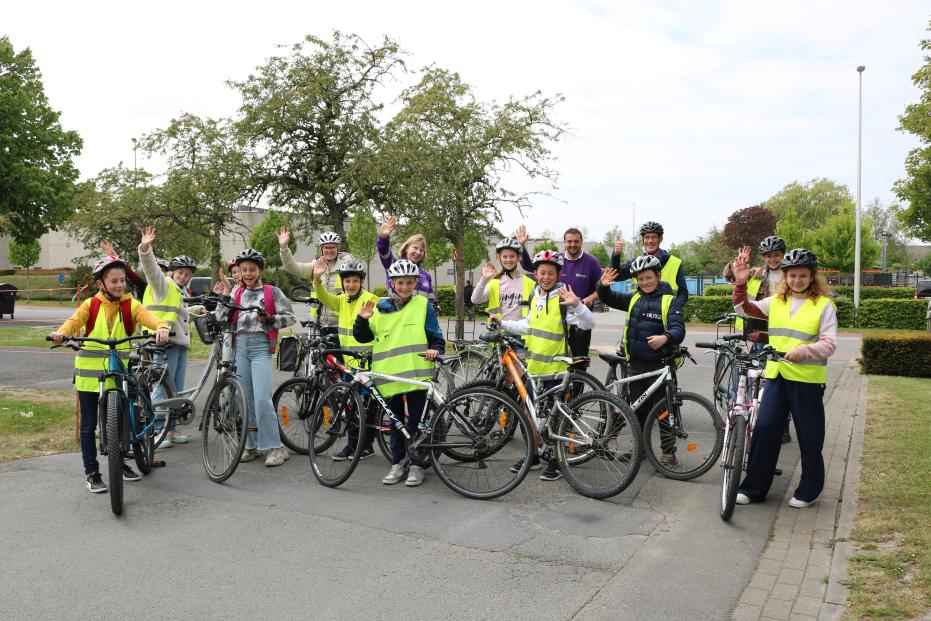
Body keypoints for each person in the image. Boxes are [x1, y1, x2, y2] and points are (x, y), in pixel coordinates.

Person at [49, 256, 170, 493]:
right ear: (100, 284)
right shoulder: (91, 305)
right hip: (89, 378)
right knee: (88, 425)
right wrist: (61, 333)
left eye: (122, 280)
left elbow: (149, 317)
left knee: (119, 422)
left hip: (117, 374)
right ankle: (92, 473)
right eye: (114, 281)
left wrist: (162, 326)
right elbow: (73, 322)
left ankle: (119, 464)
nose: (120, 285)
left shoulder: (130, 304)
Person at [730, 247, 837, 509]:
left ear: (812, 277)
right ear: (785, 277)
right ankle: (754, 488)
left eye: (803, 275)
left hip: (807, 380)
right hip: (777, 375)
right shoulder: (775, 302)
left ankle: (809, 490)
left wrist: (804, 351)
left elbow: (829, 343)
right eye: (792, 275)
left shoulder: (824, 306)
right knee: (765, 428)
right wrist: (741, 283)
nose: (797, 280)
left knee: (810, 437)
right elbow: (743, 309)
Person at [493, 249, 595, 482]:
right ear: (536, 274)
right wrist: (504, 323)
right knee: (531, 417)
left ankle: (557, 461)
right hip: (534, 369)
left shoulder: (563, 298)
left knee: (555, 419)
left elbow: (589, 323)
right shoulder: (535, 296)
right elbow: (528, 326)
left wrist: (578, 304)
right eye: (542, 273)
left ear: (558, 274)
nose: (546, 277)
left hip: (556, 371)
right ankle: (533, 456)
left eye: (550, 273)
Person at [353, 259, 444, 487]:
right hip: (388, 377)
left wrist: (436, 349)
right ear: (392, 284)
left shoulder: (423, 305)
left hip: (416, 376)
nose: (405, 287)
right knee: (395, 424)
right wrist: (362, 319)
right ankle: (397, 463)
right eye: (400, 283)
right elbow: (363, 337)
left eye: (409, 282)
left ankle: (416, 465)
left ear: (415, 283)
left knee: (417, 424)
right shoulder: (380, 308)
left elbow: (435, 336)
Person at [596, 256, 686, 468]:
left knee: (663, 412)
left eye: (648, 278)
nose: (645, 282)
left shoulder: (669, 301)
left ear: (658, 276)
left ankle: (668, 454)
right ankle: (641, 449)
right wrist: (602, 286)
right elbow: (609, 299)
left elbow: (679, 329)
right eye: (641, 279)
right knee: (638, 410)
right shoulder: (634, 298)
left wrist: (666, 338)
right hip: (635, 365)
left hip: (659, 366)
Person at [213, 249, 296, 467]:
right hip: (240, 347)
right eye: (244, 270)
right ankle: (250, 445)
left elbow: (289, 317)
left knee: (261, 399)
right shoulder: (237, 293)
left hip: (260, 347)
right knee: (243, 399)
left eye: (252, 269)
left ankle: (275, 447)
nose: (248, 274)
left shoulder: (272, 292)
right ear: (239, 272)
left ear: (260, 270)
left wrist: (270, 319)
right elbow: (221, 317)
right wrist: (225, 293)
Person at [311, 257, 380, 461]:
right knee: (350, 406)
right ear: (342, 282)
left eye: (355, 281)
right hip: (348, 363)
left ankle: (365, 446)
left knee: (366, 407)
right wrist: (317, 280)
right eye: (347, 281)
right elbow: (324, 297)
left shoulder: (371, 299)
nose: (351, 285)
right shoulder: (341, 300)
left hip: (367, 363)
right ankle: (353, 446)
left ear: (362, 282)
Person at [137, 226, 197, 448]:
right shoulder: (164, 285)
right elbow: (151, 270)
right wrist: (145, 249)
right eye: (180, 272)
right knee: (162, 389)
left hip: (179, 345)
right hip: (164, 345)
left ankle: (172, 430)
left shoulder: (179, 292)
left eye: (187, 274)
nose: (183, 276)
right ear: (171, 272)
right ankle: (156, 431)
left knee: (176, 389)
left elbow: (178, 315)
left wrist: (195, 311)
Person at [734, 235, 793, 444]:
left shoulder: (790, 274)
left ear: (783, 254)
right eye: (768, 256)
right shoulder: (759, 273)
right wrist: (737, 263)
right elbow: (732, 278)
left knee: (782, 378)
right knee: (759, 376)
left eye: (776, 255)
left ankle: (784, 425)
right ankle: (756, 415)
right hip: (760, 331)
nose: (772, 259)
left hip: (783, 331)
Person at [517, 226, 602, 357]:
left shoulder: (591, 261)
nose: (572, 244)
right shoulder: (557, 260)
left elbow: (601, 289)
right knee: (558, 355)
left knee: (579, 359)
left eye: (576, 241)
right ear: (564, 242)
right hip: (558, 317)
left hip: (579, 316)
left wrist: (587, 300)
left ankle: (579, 371)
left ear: (581, 242)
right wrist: (522, 246)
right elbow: (531, 266)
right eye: (569, 241)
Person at [278, 227, 354, 340]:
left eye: (332, 247)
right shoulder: (316, 266)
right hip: (321, 323)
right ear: (321, 249)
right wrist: (284, 248)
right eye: (326, 247)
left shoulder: (348, 266)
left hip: (343, 322)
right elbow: (293, 268)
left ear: (338, 248)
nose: (329, 250)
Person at [610, 222, 688, 308]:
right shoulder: (636, 263)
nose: (650, 241)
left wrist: (674, 307)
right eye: (647, 237)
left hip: (665, 313)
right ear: (643, 240)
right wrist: (616, 254)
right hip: (639, 312)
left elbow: (683, 292)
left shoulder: (675, 263)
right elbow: (615, 276)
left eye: (653, 237)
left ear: (660, 239)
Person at [376, 215, 437, 311]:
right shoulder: (395, 266)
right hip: (397, 315)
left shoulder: (426, 276)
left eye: (421, 250)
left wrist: (435, 307)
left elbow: (431, 300)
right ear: (406, 248)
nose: (418, 252)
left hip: (419, 318)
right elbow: (383, 251)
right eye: (415, 248)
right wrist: (383, 237)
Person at [472, 238, 536, 323]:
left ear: (518, 258)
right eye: (505, 256)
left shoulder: (529, 283)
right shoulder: (494, 282)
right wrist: (484, 279)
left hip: (521, 329)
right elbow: (475, 300)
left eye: (512, 256)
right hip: (498, 329)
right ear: (499, 258)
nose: (508, 260)